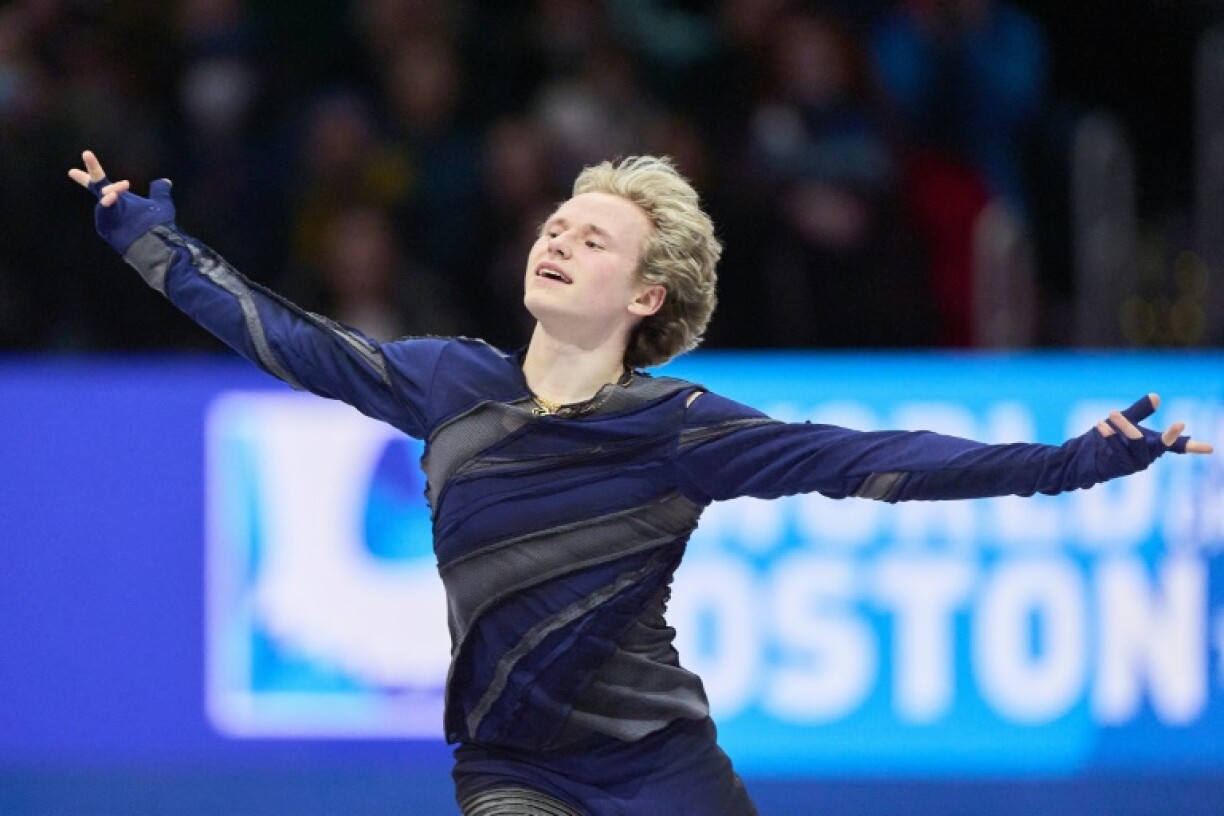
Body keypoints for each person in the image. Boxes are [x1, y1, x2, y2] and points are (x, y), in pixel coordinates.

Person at [70, 149, 1211, 816]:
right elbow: (285, 334)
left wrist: (1073, 461)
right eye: (556, 224)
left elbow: (871, 461)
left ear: (646, 299)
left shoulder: (678, 428)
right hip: (510, 766)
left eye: (594, 239)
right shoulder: (446, 385)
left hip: (663, 770)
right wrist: (147, 241)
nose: (557, 240)